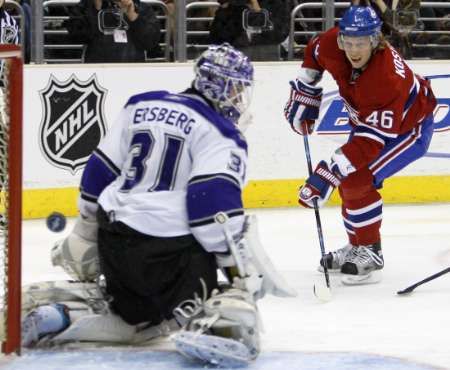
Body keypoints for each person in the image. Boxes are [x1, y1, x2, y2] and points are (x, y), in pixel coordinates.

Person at [20, 43, 295, 367]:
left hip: (115, 242)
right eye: (237, 89)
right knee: (186, 309)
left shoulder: (141, 104)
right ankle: (221, 328)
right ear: (223, 86)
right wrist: (239, 271)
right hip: (170, 254)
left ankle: (60, 316)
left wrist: (84, 233)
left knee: (134, 314)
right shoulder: (221, 133)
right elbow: (210, 212)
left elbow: (98, 172)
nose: (238, 97)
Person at [284, 6, 436, 285]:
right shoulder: (333, 43)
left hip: (409, 130)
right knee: (351, 179)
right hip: (369, 125)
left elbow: (369, 142)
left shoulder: (386, 78)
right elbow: (315, 52)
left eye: (361, 43)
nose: (353, 50)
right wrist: (306, 90)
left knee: (355, 176)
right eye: (349, 42)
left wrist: (329, 172)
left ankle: (370, 251)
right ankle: (358, 245)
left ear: (375, 40)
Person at [63, 0, 161, 63]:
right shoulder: (86, 6)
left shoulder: (141, 7)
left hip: (133, 71)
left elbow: (151, 42)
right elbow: (75, 36)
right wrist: (95, 9)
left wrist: (132, 14)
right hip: (96, 72)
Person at [209, 0, 290, 61]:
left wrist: (258, 12)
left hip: (266, 59)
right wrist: (225, 10)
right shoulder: (232, 6)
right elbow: (215, 38)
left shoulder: (276, 3)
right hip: (233, 60)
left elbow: (279, 34)